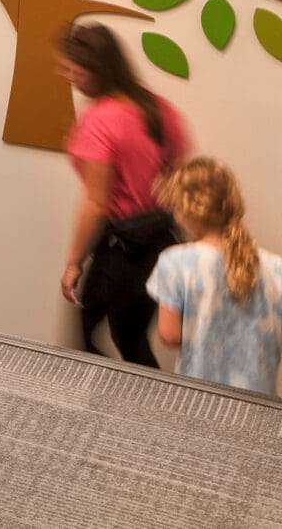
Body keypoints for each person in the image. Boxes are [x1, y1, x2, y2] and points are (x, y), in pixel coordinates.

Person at [56, 23, 191, 365]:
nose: (70, 77)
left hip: (123, 252)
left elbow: (96, 201)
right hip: (161, 243)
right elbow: (177, 175)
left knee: (98, 339)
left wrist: (73, 262)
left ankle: (139, 411)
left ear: (97, 70)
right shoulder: (160, 109)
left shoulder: (100, 120)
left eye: (74, 70)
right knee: (122, 335)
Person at [147, 157, 282, 394]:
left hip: (198, 399)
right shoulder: (278, 268)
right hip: (259, 401)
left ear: (186, 209)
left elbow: (170, 335)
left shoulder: (175, 262)